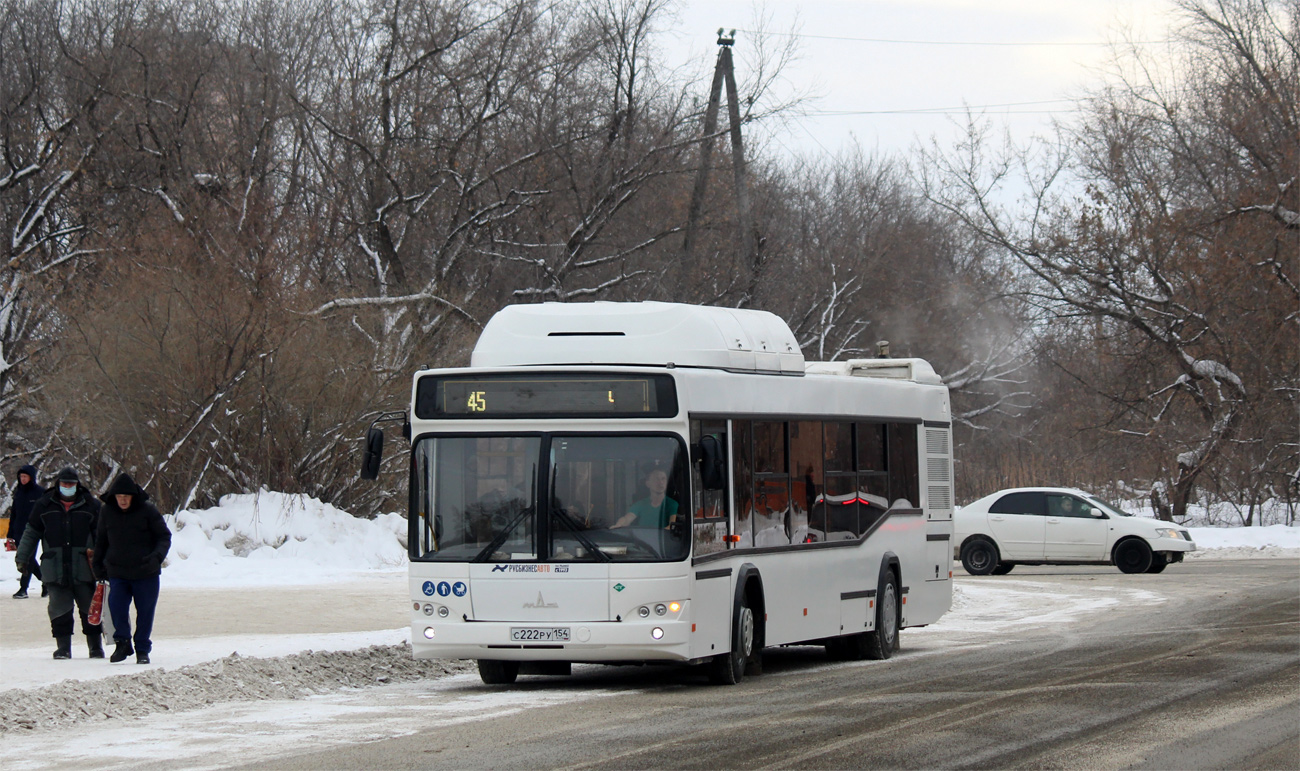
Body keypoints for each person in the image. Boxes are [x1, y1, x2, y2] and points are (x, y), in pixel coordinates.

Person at [14, 467, 103, 659]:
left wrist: (104, 559)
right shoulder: (44, 505)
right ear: (58, 484)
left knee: (90, 608)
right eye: (64, 484)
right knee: (59, 608)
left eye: (71, 484)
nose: (67, 487)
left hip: (84, 568)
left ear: (77, 485)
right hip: (54, 567)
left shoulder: (91, 505)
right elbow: (31, 532)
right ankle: (63, 647)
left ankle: (95, 647)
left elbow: (102, 536)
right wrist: (22, 557)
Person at [93, 472, 171, 664]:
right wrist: (97, 563)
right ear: (114, 497)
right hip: (118, 571)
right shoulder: (107, 511)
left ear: (133, 496)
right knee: (117, 607)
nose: (123, 500)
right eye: (120, 497)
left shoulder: (148, 511)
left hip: (146, 572)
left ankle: (142, 648)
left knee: (145, 612)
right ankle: (122, 643)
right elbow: (101, 540)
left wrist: (156, 557)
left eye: (126, 497)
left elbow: (164, 537)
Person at [7, 464, 46, 599]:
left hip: (34, 530)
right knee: (26, 558)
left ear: (31, 477)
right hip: (19, 530)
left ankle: (23, 588)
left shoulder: (40, 492)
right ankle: (46, 582)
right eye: (21, 476)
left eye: (25, 476)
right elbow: (14, 513)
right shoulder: (18, 492)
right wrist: (10, 534)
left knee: (28, 559)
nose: (23, 479)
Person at [612, 468, 678, 529]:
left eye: (663, 479)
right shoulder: (641, 504)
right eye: (656, 479)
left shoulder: (673, 505)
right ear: (648, 483)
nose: (661, 482)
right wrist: (619, 525)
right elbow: (627, 518)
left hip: (663, 541)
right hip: (642, 541)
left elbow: (672, 526)